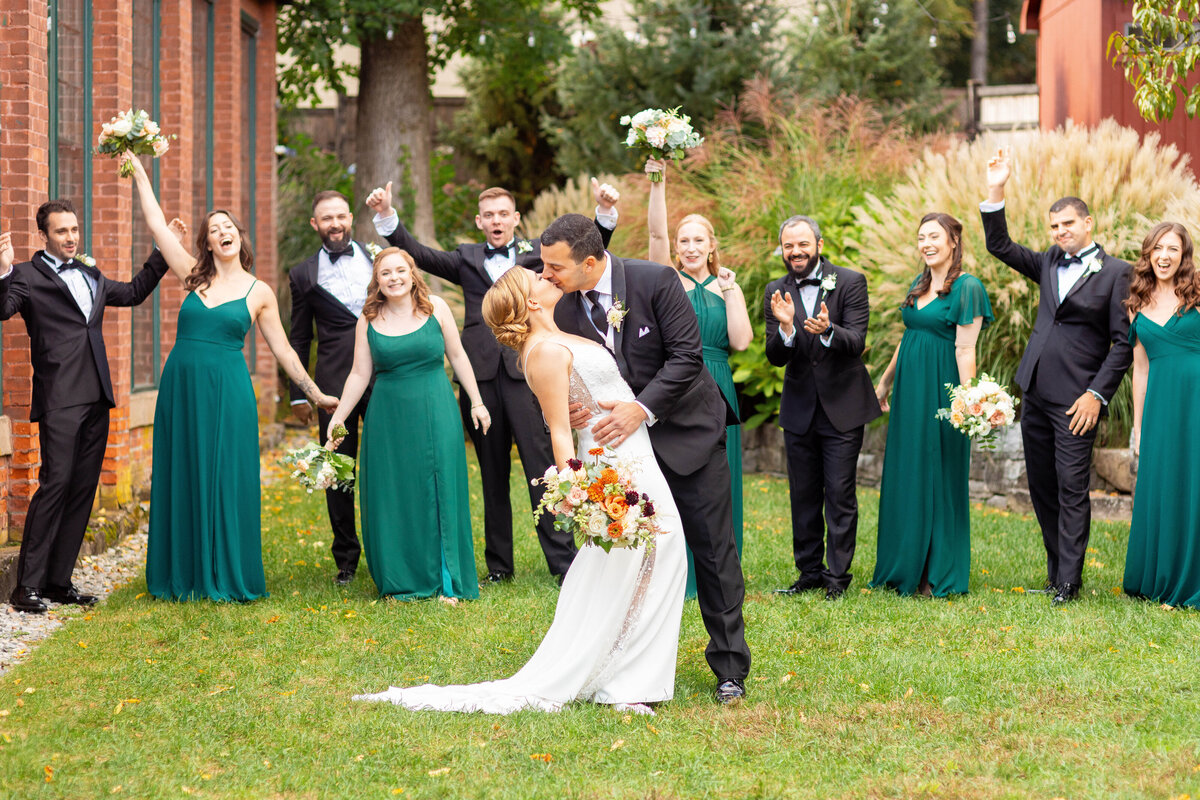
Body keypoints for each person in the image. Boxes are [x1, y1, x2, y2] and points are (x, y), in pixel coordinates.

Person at [353, 266, 686, 713]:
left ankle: (625, 671)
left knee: (649, 559)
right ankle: (625, 680)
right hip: (613, 462)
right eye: (540, 279)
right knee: (645, 556)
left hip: (634, 449)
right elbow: (559, 430)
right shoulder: (543, 350)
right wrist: (574, 484)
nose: (549, 277)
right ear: (530, 302)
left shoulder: (561, 332)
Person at [365, 180, 619, 585]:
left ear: (515, 219)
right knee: (491, 471)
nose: (497, 220)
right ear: (480, 221)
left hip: (529, 374)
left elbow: (585, 253)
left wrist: (603, 215)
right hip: (481, 379)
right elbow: (420, 256)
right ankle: (499, 565)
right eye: (490, 215)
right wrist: (386, 218)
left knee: (541, 464)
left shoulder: (540, 255)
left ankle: (564, 562)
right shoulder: (465, 257)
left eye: (505, 213)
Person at [543, 213, 750, 703]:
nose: (546, 275)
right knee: (634, 556)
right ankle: (627, 661)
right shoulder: (567, 312)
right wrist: (578, 407)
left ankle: (729, 668)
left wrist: (641, 409)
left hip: (688, 438)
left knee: (713, 551)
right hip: (625, 454)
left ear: (589, 262)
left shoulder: (655, 280)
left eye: (555, 267)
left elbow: (686, 357)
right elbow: (580, 376)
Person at [125, 154, 338, 602]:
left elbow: (282, 349)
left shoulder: (258, 291)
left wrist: (315, 392)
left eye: (228, 227)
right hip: (181, 388)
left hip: (228, 393)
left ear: (241, 238)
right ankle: (183, 570)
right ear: (206, 243)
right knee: (183, 471)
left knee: (224, 476)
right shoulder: (191, 275)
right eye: (213, 229)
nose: (221, 232)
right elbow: (158, 226)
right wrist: (141, 173)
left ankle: (224, 570)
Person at [0, 206, 170, 614]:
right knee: (55, 484)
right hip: (59, 396)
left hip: (97, 396)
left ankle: (59, 582)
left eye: (75, 229)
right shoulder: (26, 275)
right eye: (61, 231)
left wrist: (163, 250)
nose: (71, 237)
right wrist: (4, 270)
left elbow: (132, 292)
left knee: (82, 489)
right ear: (44, 235)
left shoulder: (91, 274)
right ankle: (26, 587)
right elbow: (3, 309)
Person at [981, 148, 1132, 605]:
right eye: (1054, 225)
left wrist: (1096, 396)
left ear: (1088, 224)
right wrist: (997, 187)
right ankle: (1055, 572)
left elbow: (1122, 344)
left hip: (1077, 401)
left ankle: (1070, 581)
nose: (1060, 231)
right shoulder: (1048, 261)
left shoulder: (1118, 273)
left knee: (1071, 488)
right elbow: (999, 246)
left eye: (1068, 223)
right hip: (1036, 393)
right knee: (1043, 487)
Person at [326, 248, 490, 602]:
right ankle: (400, 575)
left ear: (413, 273)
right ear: (377, 281)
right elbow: (359, 373)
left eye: (401, 270)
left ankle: (446, 575)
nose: (394, 278)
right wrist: (339, 418)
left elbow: (458, 356)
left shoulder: (436, 308)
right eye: (386, 273)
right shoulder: (369, 319)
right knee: (394, 492)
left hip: (436, 409)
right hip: (387, 418)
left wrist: (476, 401)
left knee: (439, 486)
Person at [645, 157, 751, 599]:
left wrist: (729, 290)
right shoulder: (667, 279)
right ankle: (676, 569)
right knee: (676, 476)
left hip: (718, 381)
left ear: (711, 246)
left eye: (697, 240)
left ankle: (721, 566)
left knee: (719, 478)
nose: (689, 246)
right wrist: (658, 181)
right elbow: (654, 236)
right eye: (683, 240)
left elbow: (742, 341)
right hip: (678, 385)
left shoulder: (729, 285)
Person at [871, 213, 993, 597]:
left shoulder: (968, 287)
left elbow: (965, 348)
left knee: (939, 472)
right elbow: (909, 337)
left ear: (953, 240)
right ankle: (904, 565)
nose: (926, 243)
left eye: (934, 236)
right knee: (908, 470)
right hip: (909, 391)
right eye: (921, 236)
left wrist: (967, 399)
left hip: (943, 390)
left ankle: (936, 570)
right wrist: (885, 382)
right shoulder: (919, 283)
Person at [764, 216, 881, 601]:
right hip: (799, 408)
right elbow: (775, 357)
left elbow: (858, 340)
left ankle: (837, 577)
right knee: (803, 494)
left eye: (802, 244)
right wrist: (785, 330)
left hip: (843, 408)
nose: (795, 252)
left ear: (819, 243)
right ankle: (808, 572)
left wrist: (829, 330)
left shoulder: (849, 281)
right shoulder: (775, 290)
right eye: (788, 246)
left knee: (841, 492)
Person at [288, 190, 375, 586]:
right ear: (315, 224)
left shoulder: (379, 260)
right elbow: (299, 338)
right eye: (327, 218)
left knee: (389, 464)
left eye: (341, 216)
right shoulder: (303, 274)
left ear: (351, 217)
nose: (335, 224)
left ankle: (389, 547)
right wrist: (298, 393)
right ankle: (346, 558)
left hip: (383, 376)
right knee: (338, 472)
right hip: (332, 386)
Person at [1124, 222, 1200, 609]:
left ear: (1184, 254)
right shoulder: (1138, 301)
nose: (1164, 256)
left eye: (1172, 249)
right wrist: (1138, 427)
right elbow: (1141, 370)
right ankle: (1162, 574)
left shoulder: (1198, 294)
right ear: (1148, 254)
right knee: (1167, 481)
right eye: (1157, 248)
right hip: (1160, 408)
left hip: (1196, 401)